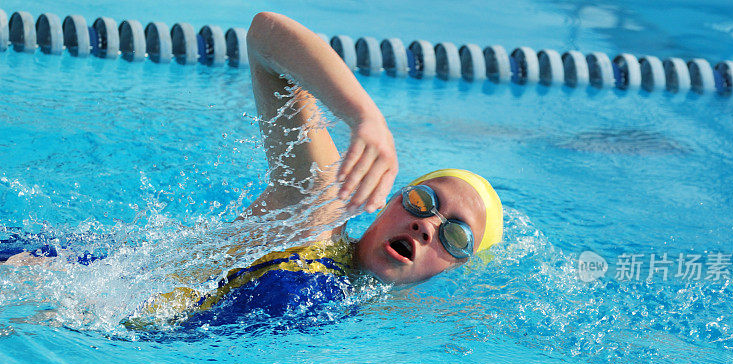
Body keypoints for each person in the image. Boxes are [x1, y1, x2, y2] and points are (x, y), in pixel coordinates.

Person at [3, 12, 504, 323]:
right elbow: (265, 35)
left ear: (455, 269)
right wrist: (365, 118)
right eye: (423, 201)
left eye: (455, 236)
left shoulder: (390, 316)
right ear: (391, 198)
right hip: (42, 282)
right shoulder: (318, 212)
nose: (426, 225)